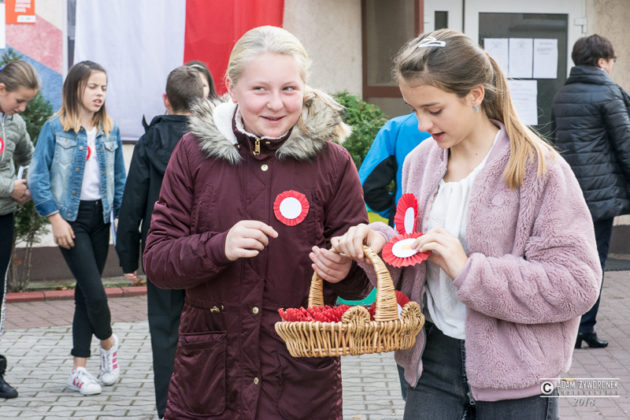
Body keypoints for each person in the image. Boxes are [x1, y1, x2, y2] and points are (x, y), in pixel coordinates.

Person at [320, 29, 602, 419]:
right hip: (430, 361)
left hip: (518, 375)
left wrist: (468, 269)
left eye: (434, 110)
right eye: (413, 109)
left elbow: (576, 284)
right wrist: (380, 243)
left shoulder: (540, 169)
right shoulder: (420, 161)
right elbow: (414, 251)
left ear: (475, 94)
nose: (422, 124)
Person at [143, 25, 371, 419]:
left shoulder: (333, 163)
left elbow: (361, 275)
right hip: (212, 381)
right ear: (232, 88)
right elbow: (158, 261)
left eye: (289, 89)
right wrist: (219, 246)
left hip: (301, 384)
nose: (276, 104)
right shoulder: (193, 152)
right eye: (260, 89)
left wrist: (345, 270)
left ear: (304, 87)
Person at [28, 61, 126, 396]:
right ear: (75, 88)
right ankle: (109, 342)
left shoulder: (109, 129)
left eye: (103, 88)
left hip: (101, 219)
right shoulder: (54, 128)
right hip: (71, 220)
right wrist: (55, 219)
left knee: (85, 294)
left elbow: (119, 179)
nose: (99, 93)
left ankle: (79, 371)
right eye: (92, 87)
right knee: (95, 293)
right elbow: (37, 178)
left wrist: (122, 222)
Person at [115, 65, 205, 419]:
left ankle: (169, 409)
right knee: (206, 329)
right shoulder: (209, 140)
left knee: (165, 332)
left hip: (162, 251)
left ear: (166, 99)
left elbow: (132, 202)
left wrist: (128, 258)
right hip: (204, 251)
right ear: (202, 99)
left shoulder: (148, 142)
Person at [551, 34, 630, 349]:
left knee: (570, 259)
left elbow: (555, 142)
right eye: (610, 61)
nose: (611, 66)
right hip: (599, 194)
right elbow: (626, 144)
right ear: (601, 62)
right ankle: (583, 327)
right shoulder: (608, 93)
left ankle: (571, 324)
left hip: (568, 190)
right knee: (595, 261)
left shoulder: (562, 94)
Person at [0, 60, 40, 399]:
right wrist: (8, 186)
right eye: (19, 100)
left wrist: (26, 183)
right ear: (2, 89)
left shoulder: (15, 123)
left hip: (3, 218)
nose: (22, 108)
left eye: (27, 102)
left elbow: (30, 156)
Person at [359, 112, 430, 226]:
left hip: (406, 225)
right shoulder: (459, 128)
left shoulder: (396, 127)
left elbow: (368, 186)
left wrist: (396, 212)